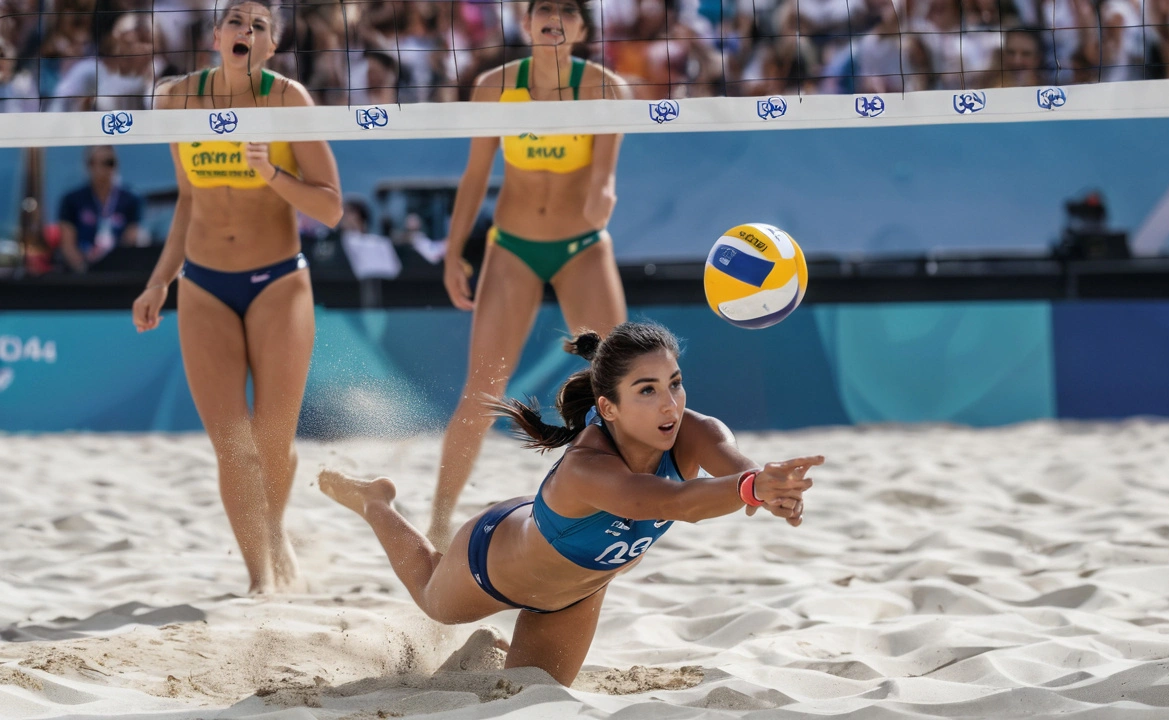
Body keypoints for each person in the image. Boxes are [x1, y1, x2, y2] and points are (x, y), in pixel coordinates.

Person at [320, 322, 822, 685]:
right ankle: (376, 502)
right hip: (493, 559)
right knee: (435, 602)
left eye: (674, 383)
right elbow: (678, 502)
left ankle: (494, 650)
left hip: (575, 596)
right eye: (646, 390)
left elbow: (738, 471)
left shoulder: (697, 432)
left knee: (526, 695)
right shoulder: (588, 465)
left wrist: (773, 489)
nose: (670, 403)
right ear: (609, 407)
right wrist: (753, 488)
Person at [130, 0, 343, 594]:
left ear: (271, 46)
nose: (245, 31)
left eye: (259, 26)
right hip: (203, 283)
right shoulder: (176, 99)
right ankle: (260, 581)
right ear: (216, 35)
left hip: (278, 280)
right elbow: (187, 198)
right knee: (233, 447)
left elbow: (331, 205)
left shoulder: (286, 101)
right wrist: (159, 279)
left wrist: (273, 174)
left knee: (273, 441)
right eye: (235, 22)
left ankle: (274, 536)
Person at [430, 0, 630, 550]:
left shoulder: (604, 89)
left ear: (584, 28)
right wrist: (452, 254)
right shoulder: (495, 86)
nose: (555, 16)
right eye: (544, 7)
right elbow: (475, 177)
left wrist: (602, 199)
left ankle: (632, 509)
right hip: (512, 247)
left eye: (568, 9)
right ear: (526, 23)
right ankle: (439, 521)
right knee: (482, 390)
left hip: (582, 247)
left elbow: (604, 183)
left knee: (621, 384)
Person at [58, 146, 142, 273]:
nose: (108, 169)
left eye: (111, 163)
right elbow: (67, 243)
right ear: (90, 165)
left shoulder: (130, 199)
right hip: (83, 272)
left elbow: (131, 239)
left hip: (119, 272)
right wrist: (84, 270)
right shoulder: (73, 200)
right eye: (105, 163)